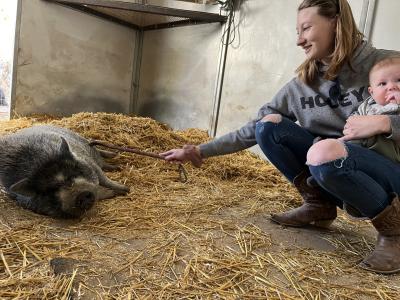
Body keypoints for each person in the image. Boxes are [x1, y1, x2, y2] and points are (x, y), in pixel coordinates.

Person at [160, 0, 400, 274]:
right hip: (331, 164)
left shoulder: (387, 65)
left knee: (324, 154)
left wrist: (383, 122)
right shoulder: (303, 84)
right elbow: (253, 129)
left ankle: (394, 234)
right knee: (269, 126)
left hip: (388, 169)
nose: (299, 40)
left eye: (306, 28)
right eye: (297, 31)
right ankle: (318, 205)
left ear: (335, 22)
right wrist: (199, 151)